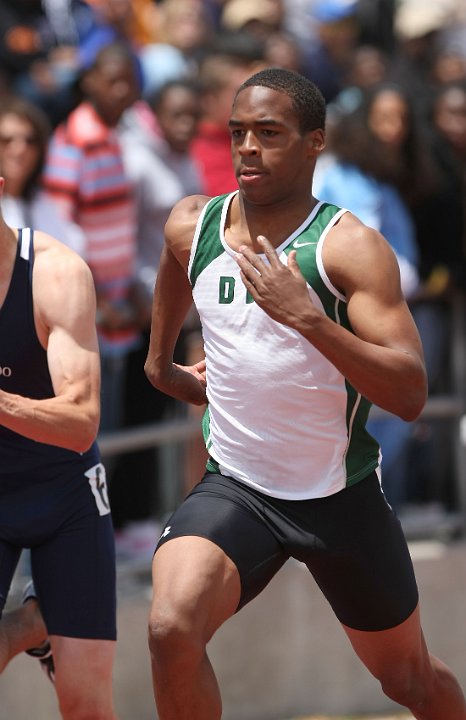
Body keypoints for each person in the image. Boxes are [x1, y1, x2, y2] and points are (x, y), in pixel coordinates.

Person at [144, 67, 466, 720]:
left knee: (410, 683)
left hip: (337, 496)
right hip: (237, 487)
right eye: (238, 133)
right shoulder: (195, 225)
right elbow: (177, 266)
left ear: (315, 141)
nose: (248, 148)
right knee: (170, 628)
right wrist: (161, 366)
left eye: (269, 132)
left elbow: (408, 392)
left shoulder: (348, 250)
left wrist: (309, 318)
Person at [0, 175, 117, 718]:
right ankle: (25, 626)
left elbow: (80, 422)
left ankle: (30, 624)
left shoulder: (55, 272)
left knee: (86, 703)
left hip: (64, 489)